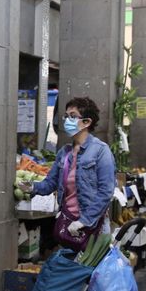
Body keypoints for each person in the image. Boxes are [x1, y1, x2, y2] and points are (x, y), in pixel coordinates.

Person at [22, 97, 116, 248]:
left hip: (92, 226)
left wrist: (84, 221)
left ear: (86, 122)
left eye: (72, 116)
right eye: (66, 116)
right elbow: (50, 183)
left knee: (90, 262)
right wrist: (33, 187)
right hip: (68, 222)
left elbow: (106, 192)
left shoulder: (100, 151)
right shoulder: (64, 153)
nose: (67, 120)